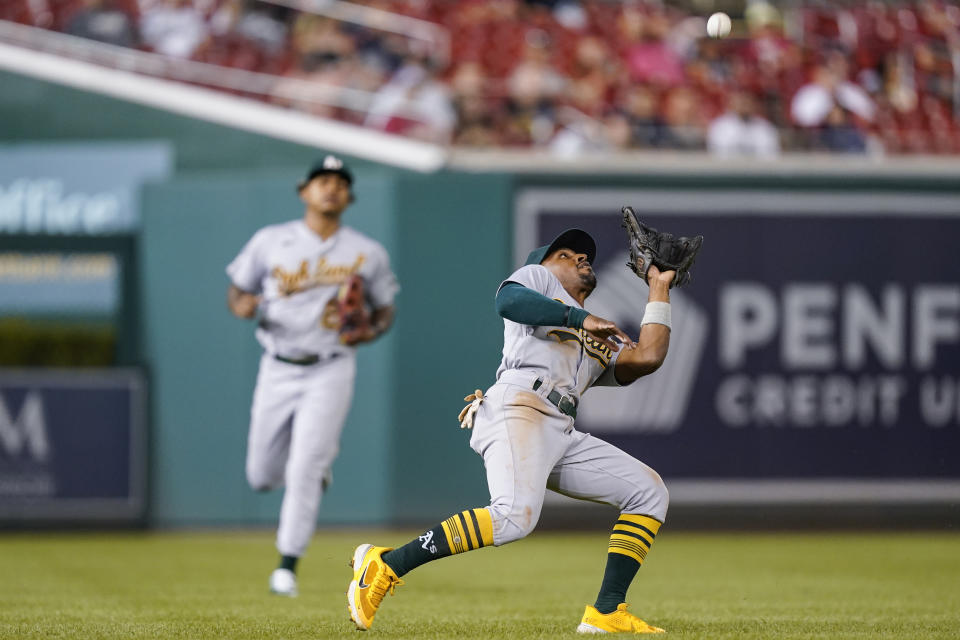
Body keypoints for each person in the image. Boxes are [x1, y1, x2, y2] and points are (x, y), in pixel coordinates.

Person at [348, 228, 674, 633]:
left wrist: (659, 288)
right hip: (520, 404)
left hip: (561, 428)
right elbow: (508, 300)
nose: (579, 258)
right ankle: (386, 564)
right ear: (544, 263)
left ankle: (607, 611)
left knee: (648, 492)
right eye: (565, 254)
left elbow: (647, 358)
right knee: (514, 519)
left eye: (584, 255)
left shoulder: (593, 336)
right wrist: (579, 316)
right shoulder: (538, 280)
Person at [226, 155, 398, 597]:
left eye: (340, 183)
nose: (331, 188)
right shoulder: (271, 241)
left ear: (350, 197)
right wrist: (242, 305)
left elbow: (385, 310)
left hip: (331, 367)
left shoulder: (366, 252)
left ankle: (287, 566)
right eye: (322, 181)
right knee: (260, 476)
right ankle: (312, 472)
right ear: (304, 191)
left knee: (305, 466)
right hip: (277, 364)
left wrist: (370, 330)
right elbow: (239, 291)